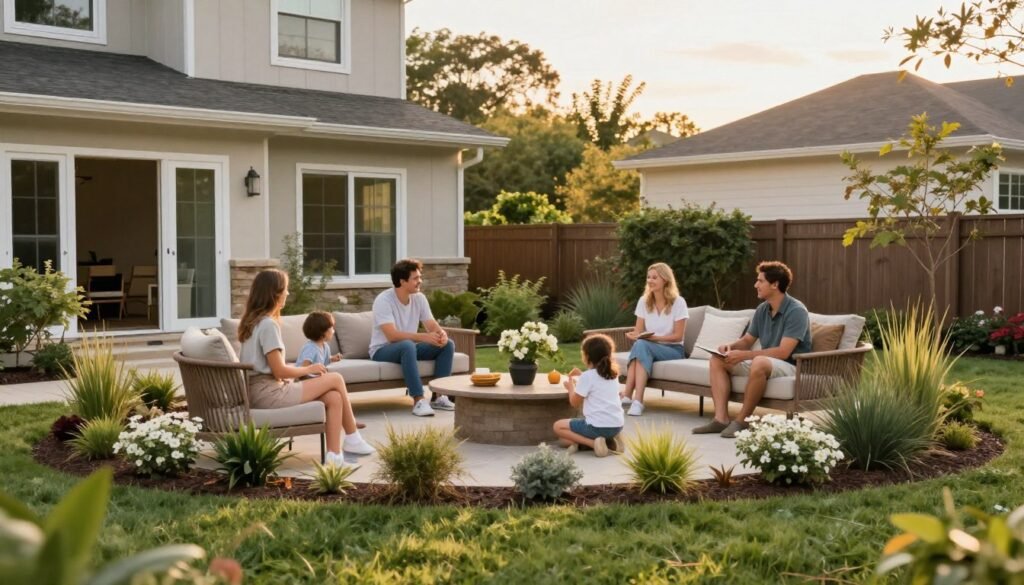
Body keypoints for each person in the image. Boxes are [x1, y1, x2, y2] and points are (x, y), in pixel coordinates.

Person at [237, 269, 374, 468]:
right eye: (285, 290)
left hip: (261, 390)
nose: (288, 294)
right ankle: (353, 436)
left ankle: (334, 457)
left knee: (334, 398)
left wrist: (296, 369)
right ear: (274, 293)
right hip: (269, 393)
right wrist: (306, 370)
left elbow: (271, 367)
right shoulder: (268, 325)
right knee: (335, 378)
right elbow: (279, 372)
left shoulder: (253, 322)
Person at [692, 260, 812, 438]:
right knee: (717, 359)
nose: (756, 285)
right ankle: (721, 419)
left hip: (792, 365)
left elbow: (783, 352)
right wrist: (730, 347)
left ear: (775, 284)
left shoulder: (796, 311)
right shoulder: (763, 309)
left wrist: (745, 355)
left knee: (759, 362)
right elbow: (748, 340)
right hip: (767, 362)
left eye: (760, 281)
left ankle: (742, 421)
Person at [369, 259, 456, 417]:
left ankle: (439, 396)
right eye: (415, 278)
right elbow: (392, 336)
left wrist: (441, 334)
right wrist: (423, 337)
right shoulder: (384, 300)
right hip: (382, 350)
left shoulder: (419, 298)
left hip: (408, 347)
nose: (420, 281)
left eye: (419, 277)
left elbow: (431, 324)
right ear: (402, 281)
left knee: (447, 345)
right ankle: (419, 400)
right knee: (407, 345)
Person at [620, 262, 689, 417]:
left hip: (673, 350)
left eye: (654, 277)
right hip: (649, 347)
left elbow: (678, 336)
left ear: (665, 279)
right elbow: (638, 331)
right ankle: (631, 399)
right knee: (640, 344)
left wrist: (653, 338)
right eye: (648, 277)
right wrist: (634, 335)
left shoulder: (679, 302)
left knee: (642, 344)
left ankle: (633, 398)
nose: (650, 281)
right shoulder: (644, 301)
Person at [553, 334, 624, 457]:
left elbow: (574, 403)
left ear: (586, 356)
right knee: (565, 441)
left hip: (596, 427)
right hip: (617, 425)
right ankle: (611, 442)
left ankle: (592, 443)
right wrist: (581, 376)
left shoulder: (587, 377)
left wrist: (571, 388)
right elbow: (597, 384)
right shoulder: (613, 375)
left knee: (558, 427)